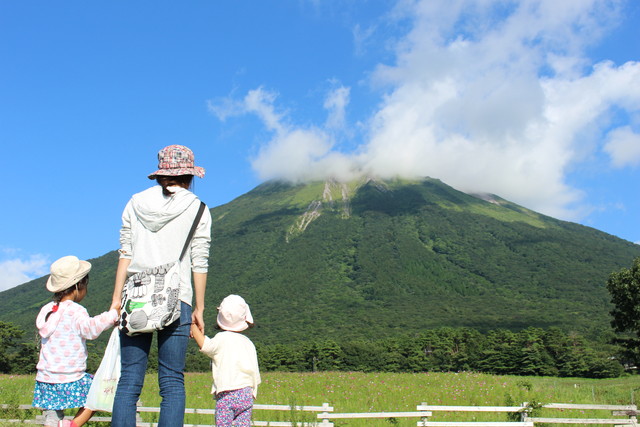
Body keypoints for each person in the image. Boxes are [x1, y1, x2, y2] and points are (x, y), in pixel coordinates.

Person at [110, 144, 212, 427]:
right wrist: (199, 308)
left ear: (159, 174)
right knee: (171, 380)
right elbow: (199, 262)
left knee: (129, 378)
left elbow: (125, 254)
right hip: (178, 297)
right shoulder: (198, 208)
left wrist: (116, 300)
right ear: (189, 176)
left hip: (135, 297)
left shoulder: (134, 202)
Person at [32, 255, 119, 427]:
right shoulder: (75, 310)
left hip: (46, 378)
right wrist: (112, 314)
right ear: (79, 286)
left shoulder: (47, 310)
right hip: (71, 376)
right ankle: (72, 425)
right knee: (98, 392)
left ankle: (54, 423)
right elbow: (90, 329)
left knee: (53, 414)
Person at [191, 294, 261, 427]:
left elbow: (205, 345)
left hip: (227, 393)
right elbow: (255, 372)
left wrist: (193, 325)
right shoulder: (248, 342)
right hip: (247, 393)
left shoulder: (221, 339)